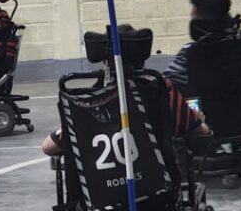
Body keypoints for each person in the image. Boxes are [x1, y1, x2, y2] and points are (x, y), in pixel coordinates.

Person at [40, 34, 211, 157]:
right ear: (142, 60)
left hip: (101, 199)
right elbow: (201, 133)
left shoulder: (86, 104)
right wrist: (197, 119)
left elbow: (48, 147)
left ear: (106, 63)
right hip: (158, 194)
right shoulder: (163, 93)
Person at [164, 0, 237, 90]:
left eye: (193, 11)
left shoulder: (191, 51)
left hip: (196, 105)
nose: (190, 14)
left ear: (200, 22)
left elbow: (168, 83)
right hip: (234, 104)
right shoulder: (237, 48)